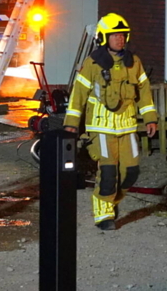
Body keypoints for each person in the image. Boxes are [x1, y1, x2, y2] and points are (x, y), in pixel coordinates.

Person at [64, 13, 158, 231]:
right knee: (107, 172)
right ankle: (103, 213)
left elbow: (144, 92)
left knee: (131, 172)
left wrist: (150, 118)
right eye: (115, 35)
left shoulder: (134, 62)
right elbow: (78, 95)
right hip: (101, 127)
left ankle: (111, 201)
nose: (120, 39)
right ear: (104, 38)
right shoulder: (93, 63)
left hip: (128, 127)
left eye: (122, 35)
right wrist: (71, 124)